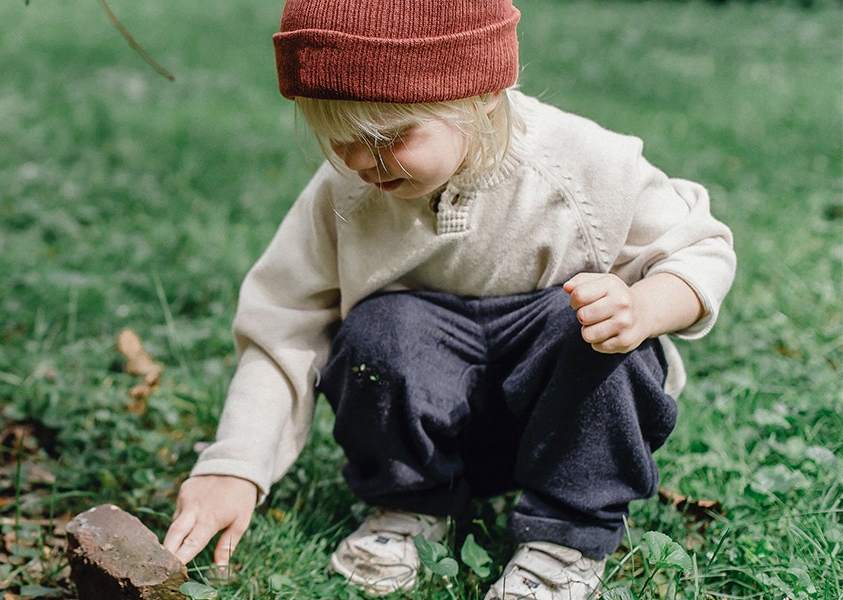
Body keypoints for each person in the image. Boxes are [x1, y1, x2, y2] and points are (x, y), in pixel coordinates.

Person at [161, 0, 736, 597]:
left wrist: (645, 307)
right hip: (432, 423)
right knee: (382, 329)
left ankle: (566, 538)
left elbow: (702, 248)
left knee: (590, 328)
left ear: (480, 96)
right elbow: (284, 324)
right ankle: (410, 504)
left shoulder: (581, 167)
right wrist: (234, 466)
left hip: (561, 421)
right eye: (338, 139)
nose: (360, 163)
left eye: (388, 137)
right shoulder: (348, 194)